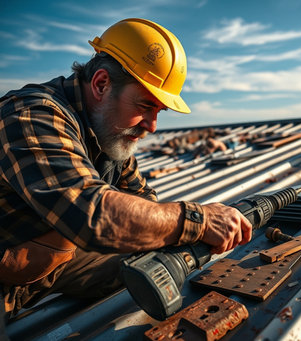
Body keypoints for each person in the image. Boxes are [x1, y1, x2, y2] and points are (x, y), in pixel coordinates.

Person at [0, 18, 252, 318]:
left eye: (159, 112)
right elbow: (92, 214)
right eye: (145, 106)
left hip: (48, 261)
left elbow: (143, 203)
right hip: (9, 269)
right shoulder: (32, 116)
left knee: (148, 259)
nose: (153, 126)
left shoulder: (108, 132)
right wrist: (200, 220)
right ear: (101, 84)